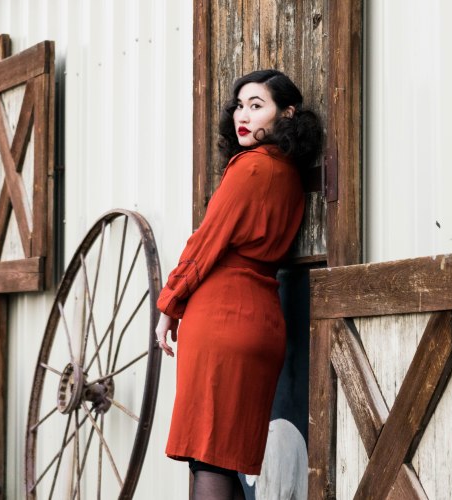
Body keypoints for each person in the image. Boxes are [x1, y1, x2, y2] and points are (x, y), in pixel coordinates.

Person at [155, 69, 323, 500]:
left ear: (287, 114)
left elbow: (205, 242)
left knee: (209, 460)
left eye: (257, 106)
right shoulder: (288, 174)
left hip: (222, 320)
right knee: (227, 459)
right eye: (239, 106)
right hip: (262, 318)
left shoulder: (251, 168)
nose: (242, 116)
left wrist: (169, 304)